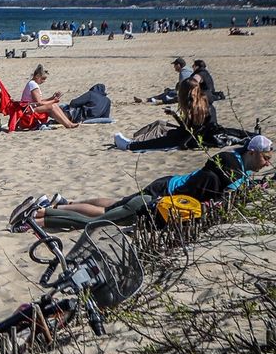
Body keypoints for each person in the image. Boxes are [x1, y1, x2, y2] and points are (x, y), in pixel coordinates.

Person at [27, 136, 272, 230]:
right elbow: (197, 195)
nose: (267, 163)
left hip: (163, 192)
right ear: (251, 152)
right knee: (105, 214)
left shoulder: (241, 168)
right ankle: (42, 214)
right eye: (265, 157)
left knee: (114, 205)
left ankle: (61, 204)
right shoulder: (223, 172)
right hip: (160, 194)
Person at [114, 77, 216, 152]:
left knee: (161, 141)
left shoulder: (194, 108)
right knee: (164, 132)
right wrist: (175, 115)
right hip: (202, 137)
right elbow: (189, 128)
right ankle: (132, 143)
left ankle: (129, 145)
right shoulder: (202, 102)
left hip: (196, 139)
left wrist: (180, 143)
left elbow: (189, 134)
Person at [21, 64, 78, 128]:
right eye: (43, 79)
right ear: (37, 76)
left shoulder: (32, 83)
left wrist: (52, 98)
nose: (44, 81)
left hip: (31, 107)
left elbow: (37, 101)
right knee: (51, 107)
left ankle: (68, 123)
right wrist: (53, 100)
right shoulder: (33, 84)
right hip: (29, 109)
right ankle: (68, 124)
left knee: (54, 105)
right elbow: (39, 102)